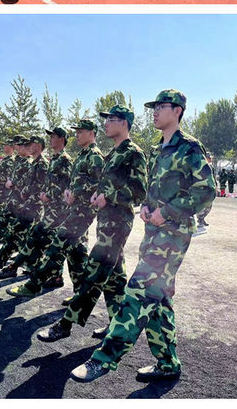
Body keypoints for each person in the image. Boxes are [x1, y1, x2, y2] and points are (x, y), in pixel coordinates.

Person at [71, 89, 215, 384]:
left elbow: (206, 190)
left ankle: (104, 359)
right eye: (153, 107)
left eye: (161, 106)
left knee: (138, 291)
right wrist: (148, 207)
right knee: (158, 300)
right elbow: (150, 189)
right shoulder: (156, 149)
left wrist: (168, 212)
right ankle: (168, 363)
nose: (155, 112)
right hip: (153, 233)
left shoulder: (189, 148)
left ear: (177, 111)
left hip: (173, 234)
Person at [35, 107, 146, 337]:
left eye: (112, 119)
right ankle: (117, 326)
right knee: (114, 279)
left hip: (118, 224)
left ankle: (65, 325)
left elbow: (139, 191)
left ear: (124, 123)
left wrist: (109, 196)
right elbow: (104, 185)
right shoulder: (112, 154)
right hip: (106, 222)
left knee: (93, 273)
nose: (106, 123)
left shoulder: (133, 153)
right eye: (106, 119)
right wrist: (96, 194)